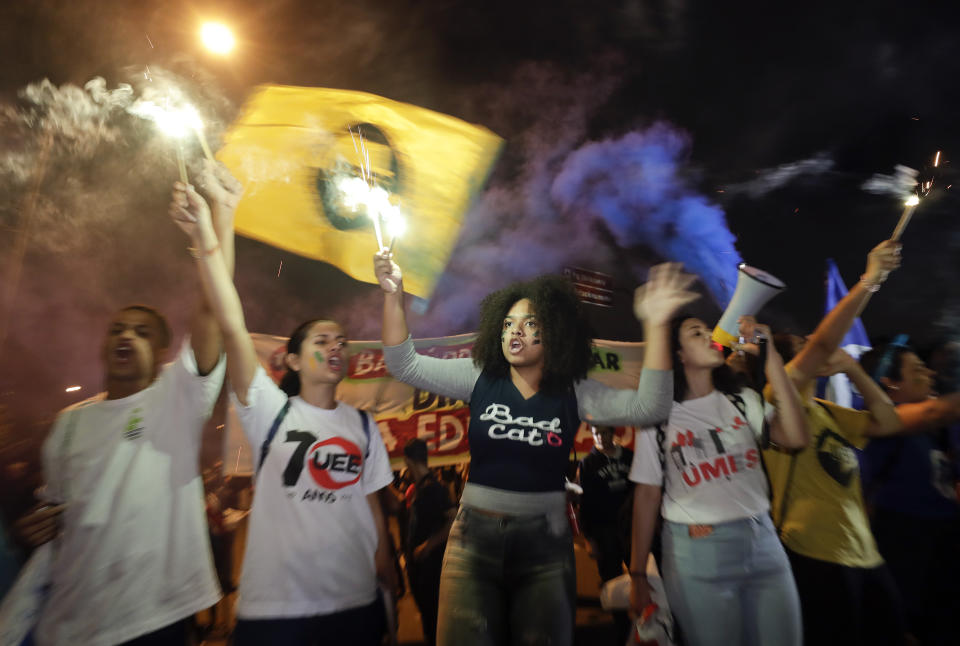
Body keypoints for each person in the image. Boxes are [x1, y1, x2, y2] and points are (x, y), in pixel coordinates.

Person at [374, 252, 697, 646]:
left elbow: (651, 407)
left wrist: (659, 325)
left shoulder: (576, 392)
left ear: (557, 333)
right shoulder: (478, 376)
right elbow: (403, 364)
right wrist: (393, 295)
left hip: (545, 546)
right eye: (508, 323)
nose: (515, 332)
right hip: (472, 543)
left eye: (530, 324)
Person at [11, 161, 237, 646]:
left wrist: (218, 216)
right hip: (67, 625)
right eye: (117, 328)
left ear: (161, 354)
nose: (125, 336)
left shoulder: (176, 397)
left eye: (140, 332)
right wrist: (34, 528)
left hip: (150, 621)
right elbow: (56, 514)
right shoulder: (69, 425)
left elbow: (211, 307)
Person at [170, 180, 397, 646]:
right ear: (291, 360)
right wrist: (212, 227)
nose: (336, 347)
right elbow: (229, 318)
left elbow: (372, 508)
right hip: (278, 615)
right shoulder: (267, 409)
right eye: (321, 341)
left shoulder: (361, 425)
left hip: (358, 607)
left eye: (341, 342)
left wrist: (388, 579)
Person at [740, 240, 907, 646]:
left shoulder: (822, 409)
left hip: (864, 552)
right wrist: (870, 280)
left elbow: (888, 422)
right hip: (814, 552)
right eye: (800, 346)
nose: (810, 343)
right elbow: (823, 345)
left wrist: (853, 369)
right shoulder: (774, 399)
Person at [629, 315, 808, 646]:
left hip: (764, 543)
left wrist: (772, 360)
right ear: (677, 354)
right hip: (696, 555)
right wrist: (638, 574)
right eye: (696, 332)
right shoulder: (657, 415)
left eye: (709, 331)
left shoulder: (743, 400)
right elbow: (647, 494)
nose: (710, 335)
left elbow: (797, 437)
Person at [859, 342, 960, 646]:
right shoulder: (878, 427)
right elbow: (859, 492)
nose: (929, 373)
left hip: (944, 537)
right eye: (917, 369)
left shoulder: (939, 428)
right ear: (890, 382)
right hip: (902, 540)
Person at [577, 425, 634, 642]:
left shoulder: (629, 457)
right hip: (605, 531)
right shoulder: (588, 463)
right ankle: (623, 632)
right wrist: (590, 538)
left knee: (643, 574)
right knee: (611, 579)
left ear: (613, 432)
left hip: (631, 528)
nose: (600, 437)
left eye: (604, 432)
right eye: (595, 433)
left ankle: (649, 622)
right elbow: (586, 503)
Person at [402, 439, 454, 646]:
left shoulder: (433, 488)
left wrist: (427, 546)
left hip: (431, 571)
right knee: (428, 619)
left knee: (434, 622)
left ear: (407, 460)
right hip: (421, 570)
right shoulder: (421, 487)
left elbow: (453, 521)